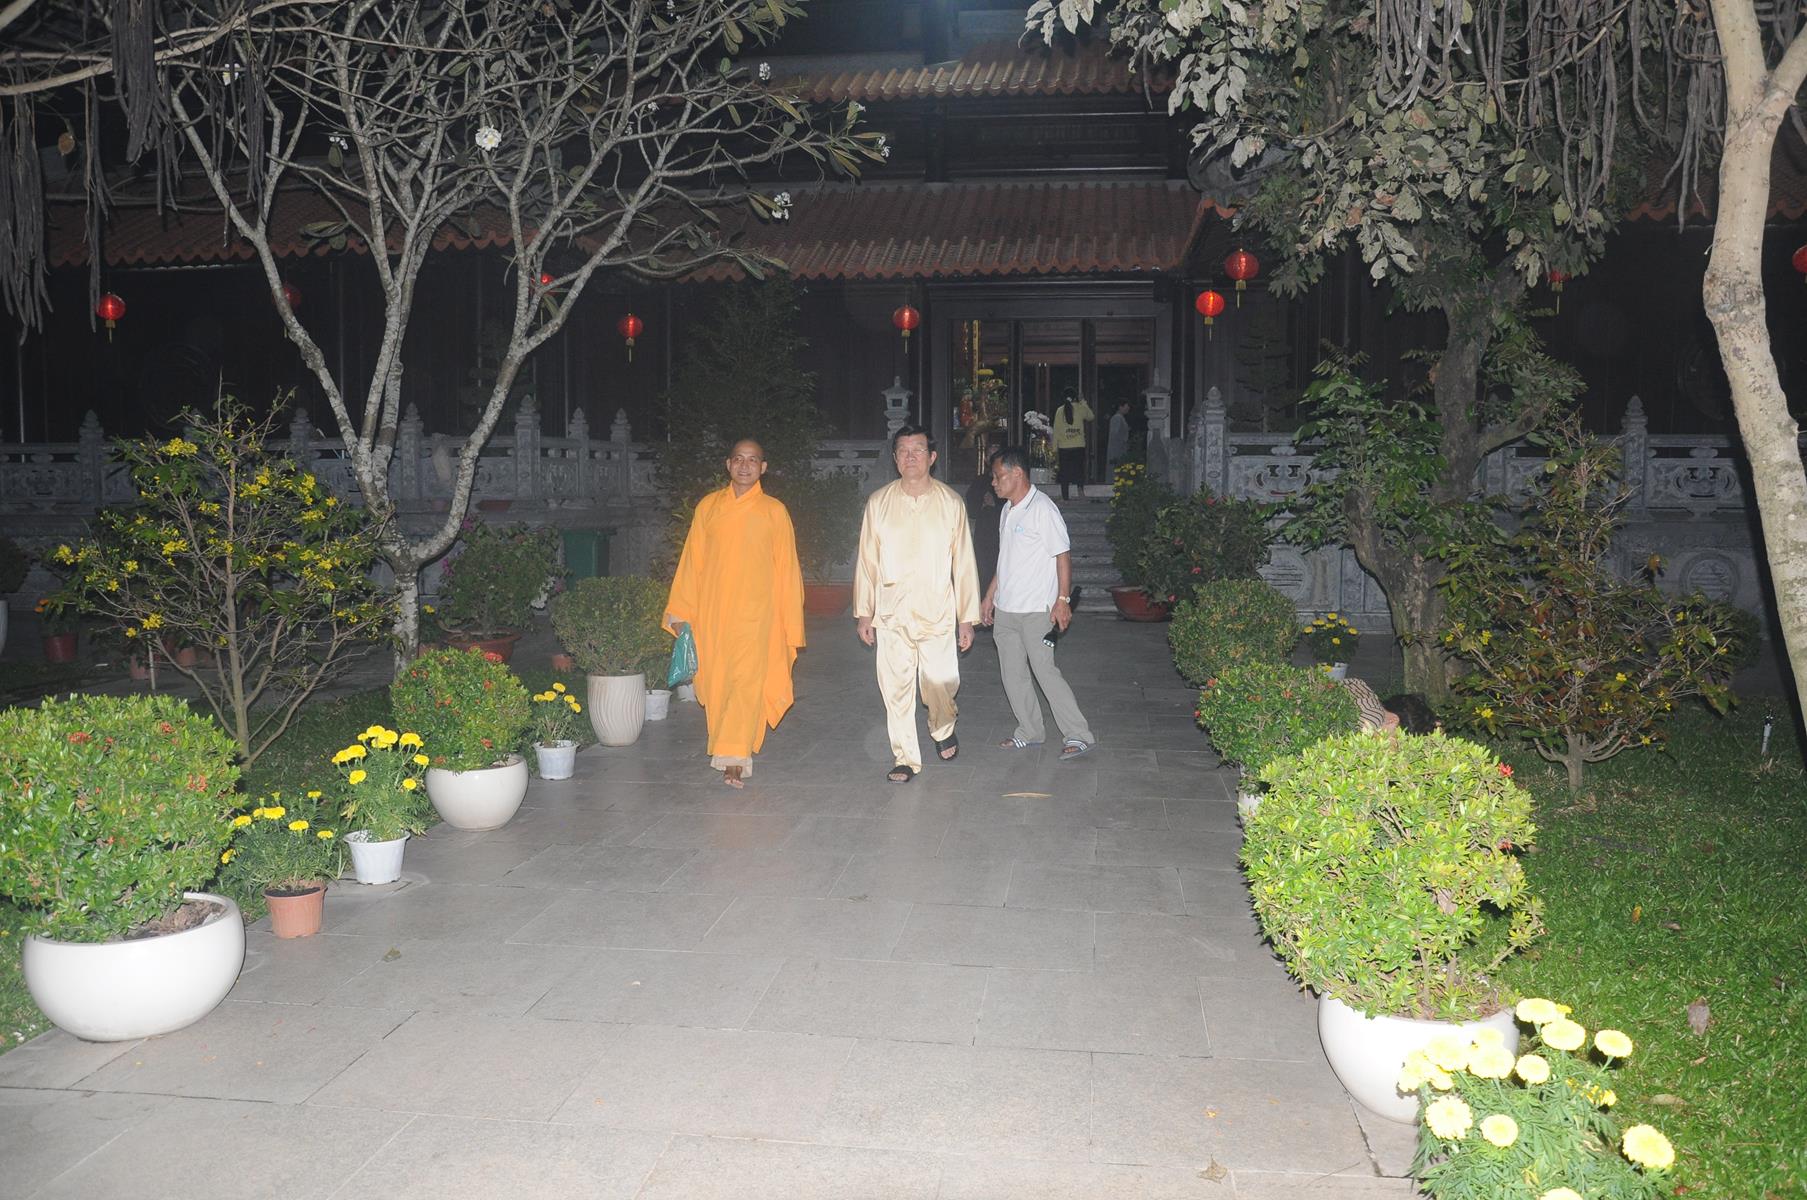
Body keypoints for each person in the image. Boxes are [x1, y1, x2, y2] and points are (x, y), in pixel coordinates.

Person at [663, 438, 805, 788]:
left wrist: (790, 623)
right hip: (713, 614)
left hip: (757, 618)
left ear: (763, 468)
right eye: (738, 459)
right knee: (718, 683)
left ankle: (734, 759)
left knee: (745, 683)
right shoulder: (708, 507)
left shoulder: (774, 511)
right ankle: (729, 746)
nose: (745, 466)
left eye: (753, 460)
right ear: (728, 465)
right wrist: (680, 612)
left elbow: (788, 570)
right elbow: (692, 562)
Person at [854, 424, 981, 783]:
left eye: (918, 450)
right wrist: (864, 612)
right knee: (895, 689)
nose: (910, 457)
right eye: (903, 451)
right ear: (895, 459)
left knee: (940, 682)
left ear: (932, 457)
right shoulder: (878, 503)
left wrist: (966, 618)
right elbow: (867, 561)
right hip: (891, 613)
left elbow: (964, 564)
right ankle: (905, 757)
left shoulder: (950, 504)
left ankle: (942, 726)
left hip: (937, 611)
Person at [980, 445, 1096, 759]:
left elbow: (1062, 556)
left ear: (1017, 474)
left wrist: (1063, 600)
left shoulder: (1043, 509)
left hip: (1036, 611)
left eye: (998, 476)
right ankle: (1030, 731)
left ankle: (1078, 734)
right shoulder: (1007, 510)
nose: (994, 482)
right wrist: (990, 596)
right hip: (1007, 609)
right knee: (1012, 674)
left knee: (1045, 672)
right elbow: (1006, 559)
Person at [1051, 389, 1094, 501]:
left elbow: (1056, 430)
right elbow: (1091, 416)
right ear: (1075, 397)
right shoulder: (1080, 408)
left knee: (1064, 472)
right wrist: (1083, 401)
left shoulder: (1059, 410)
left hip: (1064, 447)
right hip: (1079, 446)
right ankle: (1080, 492)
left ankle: (1065, 497)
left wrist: (1054, 448)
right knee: (1079, 470)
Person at [1106, 400, 1132, 470]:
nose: (1128, 408)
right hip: (1117, 448)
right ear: (1120, 407)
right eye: (1126, 406)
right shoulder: (1117, 418)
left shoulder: (1121, 418)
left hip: (1120, 447)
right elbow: (1114, 434)